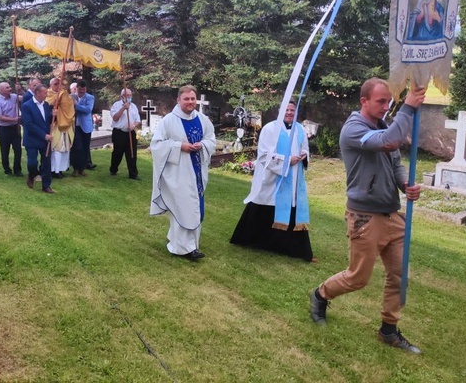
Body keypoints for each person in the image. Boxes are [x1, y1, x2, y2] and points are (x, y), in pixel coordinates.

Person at [309, 78, 426, 354]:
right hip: (365, 217)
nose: (386, 107)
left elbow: (395, 162)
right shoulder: (354, 129)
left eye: (388, 102)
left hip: (392, 215)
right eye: (380, 102)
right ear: (364, 101)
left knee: (399, 275)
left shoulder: (383, 125)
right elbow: (389, 142)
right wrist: (407, 107)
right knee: (358, 278)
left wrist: (405, 185)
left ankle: (388, 330)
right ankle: (320, 294)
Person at [230, 101, 314, 261]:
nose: (289, 113)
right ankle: (255, 241)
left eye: (292, 110)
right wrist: (287, 160)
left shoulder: (300, 129)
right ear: (280, 111)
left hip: (294, 177)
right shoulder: (270, 129)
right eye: (287, 110)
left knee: (291, 208)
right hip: (273, 177)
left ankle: (290, 247)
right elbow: (263, 154)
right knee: (266, 206)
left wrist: (303, 155)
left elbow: (305, 148)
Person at [150, 85, 216, 260]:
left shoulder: (203, 119)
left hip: (197, 173)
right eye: (186, 99)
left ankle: (190, 244)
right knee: (182, 208)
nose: (190, 102)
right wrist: (180, 147)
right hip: (178, 174)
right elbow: (156, 145)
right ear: (178, 100)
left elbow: (211, 139)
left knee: (195, 207)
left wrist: (202, 145)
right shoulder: (168, 121)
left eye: (193, 99)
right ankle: (182, 248)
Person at [21, 83, 55, 194]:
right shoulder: (27, 106)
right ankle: (32, 175)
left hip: (45, 140)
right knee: (32, 163)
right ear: (37, 93)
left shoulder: (46, 105)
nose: (47, 94)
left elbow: (48, 121)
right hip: (32, 139)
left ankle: (46, 185)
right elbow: (29, 124)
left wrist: (55, 115)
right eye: (45, 92)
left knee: (46, 163)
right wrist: (43, 135)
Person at [46, 77, 75, 179]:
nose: (58, 86)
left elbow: (69, 106)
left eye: (59, 84)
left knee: (65, 149)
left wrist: (63, 100)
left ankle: (61, 169)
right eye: (55, 84)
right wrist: (54, 104)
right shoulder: (47, 94)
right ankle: (54, 169)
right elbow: (46, 107)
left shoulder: (64, 93)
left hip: (65, 124)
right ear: (51, 85)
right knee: (57, 148)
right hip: (55, 126)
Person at [109, 88, 141, 180]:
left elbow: (137, 120)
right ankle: (113, 169)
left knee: (132, 153)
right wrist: (123, 108)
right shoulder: (116, 105)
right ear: (122, 96)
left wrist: (133, 125)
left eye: (130, 95)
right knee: (117, 153)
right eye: (127, 96)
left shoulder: (134, 106)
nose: (129, 97)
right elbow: (115, 118)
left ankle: (133, 174)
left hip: (130, 133)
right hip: (119, 133)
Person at [0, 81, 23, 177]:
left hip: (15, 128)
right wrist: (14, 119)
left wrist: (20, 90)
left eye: (10, 87)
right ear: (1, 90)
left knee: (18, 150)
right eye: (7, 87)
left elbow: (25, 98)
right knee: (5, 151)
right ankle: (7, 170)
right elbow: (0, 117)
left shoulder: (14, 96)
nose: (10, 88)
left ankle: (17, 170)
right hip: (3, 129)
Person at [70, 80, 94, 177]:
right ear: (77, 89)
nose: (82, 92)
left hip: (86, 126)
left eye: (84, 90)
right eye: (80, 90)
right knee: (77, 148)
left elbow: (88, 110)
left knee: (85, 148)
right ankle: (75, 168)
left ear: (86, 89)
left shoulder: (90, 97)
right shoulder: (72, 97)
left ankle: (82, 168)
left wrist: (76, 105)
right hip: (75, 126)